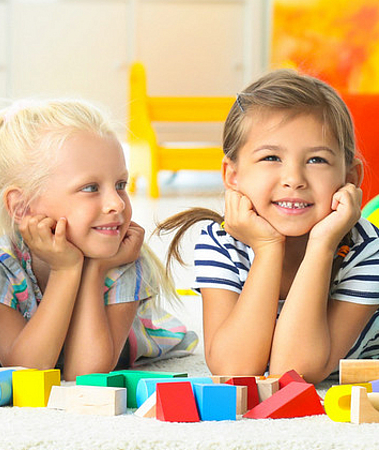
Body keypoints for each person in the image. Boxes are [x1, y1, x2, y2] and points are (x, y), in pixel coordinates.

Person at [157, 69, 379, 384]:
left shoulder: (367, 250)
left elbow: (294, 373)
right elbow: (234, 370)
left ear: (350, 178)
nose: (294, 179)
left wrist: (322, 246)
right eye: (271, 157)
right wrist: (267, 248)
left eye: (316, 160)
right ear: (232, 175)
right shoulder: (221, 242)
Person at [0, 99, 197, 380]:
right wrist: (65, 270)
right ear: (22, 207)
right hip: (7, 299)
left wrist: (94, 271)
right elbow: (28, 371)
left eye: (121, 185)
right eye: (90, 188)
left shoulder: (123, 258)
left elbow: (85, 374)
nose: (116, 204)